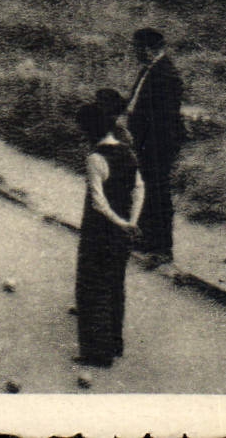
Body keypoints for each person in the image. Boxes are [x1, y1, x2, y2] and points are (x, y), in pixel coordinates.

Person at [74, 100, 144, 368]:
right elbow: (139, 189)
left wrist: (117, 222)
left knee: (93, 289)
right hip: (123, 231)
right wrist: (131, 222)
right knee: (116, 286)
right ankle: (115, 344)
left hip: (99, 231)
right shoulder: (128, 153)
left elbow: (97, 201)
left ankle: (96, 352)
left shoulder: (95, 158)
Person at [122, 28, 185, 264]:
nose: (134, 52)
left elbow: (164, 119)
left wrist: (148, 145)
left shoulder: (166, 75)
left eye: (137, 48)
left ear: (148, 49)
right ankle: (146, 238)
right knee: (145, 190)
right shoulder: (150, 70)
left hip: (157, 145)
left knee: (158, 193)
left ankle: (162, 248)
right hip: (144, 142)